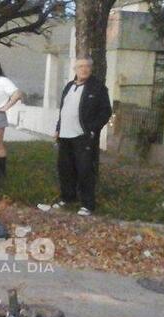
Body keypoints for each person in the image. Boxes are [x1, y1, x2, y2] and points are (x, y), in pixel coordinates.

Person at [54, 56, 112, 216]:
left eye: (87, 66)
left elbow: (106, 112)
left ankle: (87, 204)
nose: (84, 69)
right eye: (80, 66)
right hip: (65, 136)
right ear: (75, 69)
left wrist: (92, 130)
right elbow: (63, 110)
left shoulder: (98, 88)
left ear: (91, 68)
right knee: (65, 168)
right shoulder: (68, 87)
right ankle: (67, 198)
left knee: (85, 169)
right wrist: (58, 129)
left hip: (83, 136)